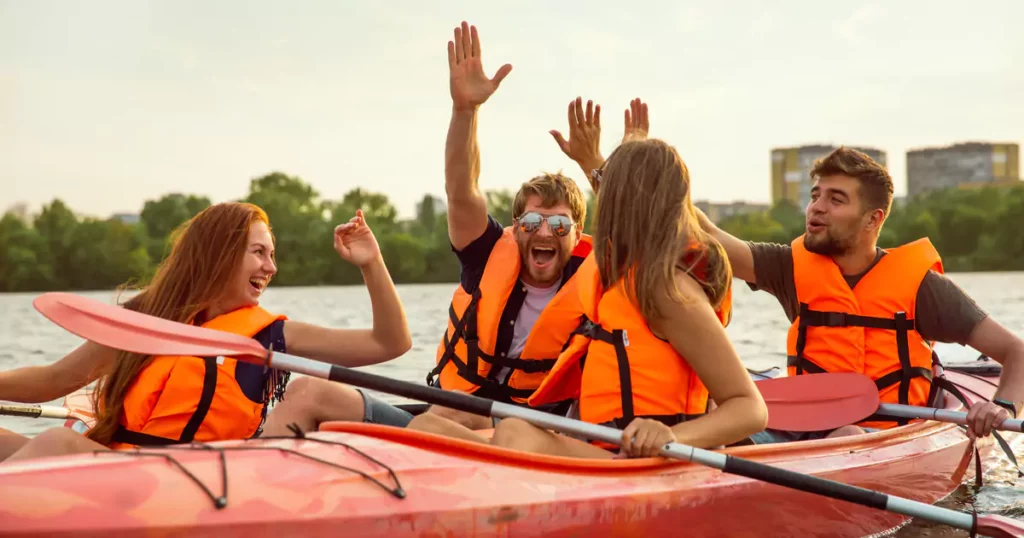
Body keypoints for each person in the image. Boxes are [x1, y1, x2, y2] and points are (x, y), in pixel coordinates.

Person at [413, 138, 769, 459]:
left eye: (609, 192)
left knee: (516, 433)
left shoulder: (669, 292)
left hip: (639, 462)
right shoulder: (623, 276)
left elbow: (749, 409)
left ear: (631, 203)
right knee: (425, 429)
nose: (604, 203)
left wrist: (671, 437)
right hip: (601, 447)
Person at [0, 202, 413, 462]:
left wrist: (370, 263)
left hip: (199, 476)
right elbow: (55, 380)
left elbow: (390, 342)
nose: (271, 267)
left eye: (272, 255)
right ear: (221, 256)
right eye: (258, 253)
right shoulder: (148, 317)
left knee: (59, 443)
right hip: (117, 463)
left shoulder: (273, 336)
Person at [690, 147, 1024, 443]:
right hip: (799, 429)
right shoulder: (788, 267)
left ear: (872, 219)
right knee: (718, 429)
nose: (816, 208)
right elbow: (708, 236)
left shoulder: (924, 288)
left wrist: (1003, 406)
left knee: (848, 434)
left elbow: (1016, 352)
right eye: (815, 195)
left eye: (835, 199)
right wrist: (646, 166)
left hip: (888, 435)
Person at [418, 21, 611, 429]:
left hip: (538, 434)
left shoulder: (600, 277)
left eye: (559, 223)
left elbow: (646, 226)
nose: (544, 233)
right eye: (532, 221)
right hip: (460, 413)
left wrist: (594, 165)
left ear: (578, 234)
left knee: (439, 422)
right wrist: (465, 111)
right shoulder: (486, 253)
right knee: (316, 394)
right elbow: (461, 190)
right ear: (515, 227)